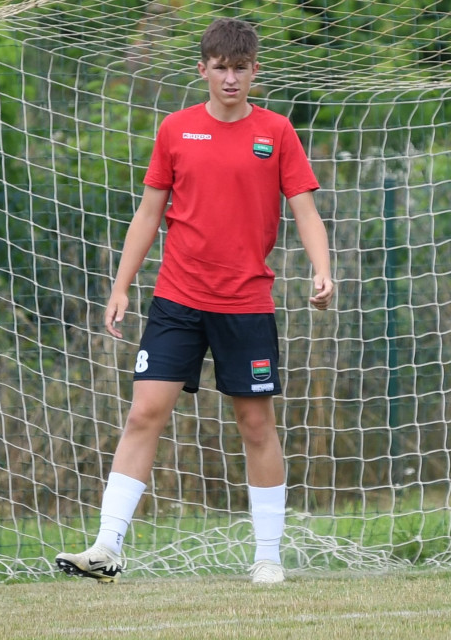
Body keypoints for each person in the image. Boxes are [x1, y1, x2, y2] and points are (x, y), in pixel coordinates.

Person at [55, 17, 334, 585]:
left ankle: (267, 556)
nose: (230, 78)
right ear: (202, 69)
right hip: (177, 299)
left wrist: (323, 270)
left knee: (256, 424)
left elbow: (305, 209)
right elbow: (149, 212)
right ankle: (106, 548)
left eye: (240, 68)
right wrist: (121, 284)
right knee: (142, 413)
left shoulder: (277, 132)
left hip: (247, 303)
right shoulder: (176, 130)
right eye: (220, 67)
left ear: (255, 71)